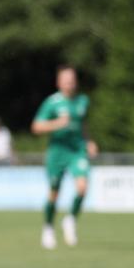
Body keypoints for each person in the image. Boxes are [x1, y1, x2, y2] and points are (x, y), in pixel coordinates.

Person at [32, 65, 98, 249]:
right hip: (57, 152)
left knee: (83, 187)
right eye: (66, 80)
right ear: (59, 82)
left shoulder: (83, 101)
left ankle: (70, 220)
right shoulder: (52, 103)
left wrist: (89, 141)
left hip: (77, 151)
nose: (70, 83)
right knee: (54, 192)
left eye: (72, 80)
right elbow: (36, 127)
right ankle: (48, 228)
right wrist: (57, 123)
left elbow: (83, 125)